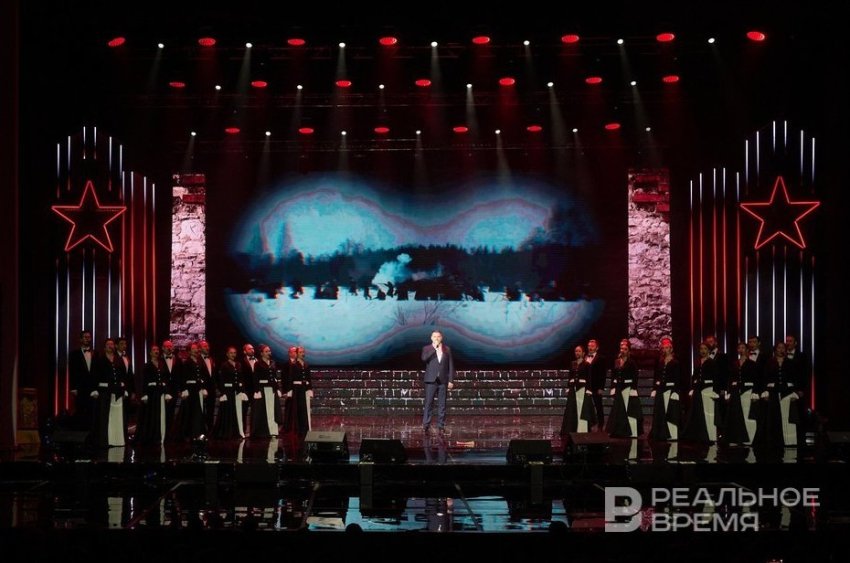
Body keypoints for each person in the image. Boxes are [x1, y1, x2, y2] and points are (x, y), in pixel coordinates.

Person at [681, 342, 720, 443]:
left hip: (708, 389)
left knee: (710, 414)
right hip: (699, 390)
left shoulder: (712, 362)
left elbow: (717, 377)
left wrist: (716, 391)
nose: (703, 351)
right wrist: (692, 388)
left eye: (705, 349)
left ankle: (712, 436)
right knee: (700, 413)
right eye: (701, 349)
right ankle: (702, 435)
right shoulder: (698, 362)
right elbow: (695, 376)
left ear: (709, 350)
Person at [723, 341, 759, 445]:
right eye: (739, 348)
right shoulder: (734, 364)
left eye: (743, 348)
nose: (741, 350)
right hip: (736, 392)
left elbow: (756, 379)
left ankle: (750, 439)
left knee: (748, 416)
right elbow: (730, 378)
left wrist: (755, 392)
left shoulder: (752, 364)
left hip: (747, 391)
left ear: (747, 350)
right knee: (736, 416)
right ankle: (736, 438)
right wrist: (728, 392)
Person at [135, 344, 172, 445]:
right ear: (150, 352)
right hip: (151, 394)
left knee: (161, 414)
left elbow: (166, 379)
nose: (156, 351)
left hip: (160, 392)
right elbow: (143, 380)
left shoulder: (162, 364)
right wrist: (144, 394)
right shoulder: (147, 365)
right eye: (154, 349)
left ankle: (160, 435)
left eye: (157, 349)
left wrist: (167, 392)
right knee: (151, 415)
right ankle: (151, 436)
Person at [606, 340, 642, 438]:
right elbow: (614, 375)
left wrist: (633, 388)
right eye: (621, 349)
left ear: (628, 351)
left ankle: (631, 431)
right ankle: (618, 431)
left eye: (625, 349)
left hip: (628, 388)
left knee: (629, 410)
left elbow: (635, 376)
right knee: (618, 410)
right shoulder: (617, 361)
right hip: (619, 388)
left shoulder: (632, 362)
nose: (622, 350)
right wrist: (613, 387)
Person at [420, 330, 455, 432]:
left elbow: (451, 365)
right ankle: (426, 424)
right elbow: (424, 359)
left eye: (438, 336)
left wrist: (451, 380)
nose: (436, 338)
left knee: (442, 404)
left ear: (441, 338)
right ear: (431, 338)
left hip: (443, 380)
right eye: (434, 336)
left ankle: (441, 425)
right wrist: (434, 349)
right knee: (429, 403)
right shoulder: (427, 348)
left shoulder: (447, 349)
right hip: (431, 380)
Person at [649, 337, 682, 441]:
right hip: (661, 389)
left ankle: (672, 434)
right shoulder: (660, 361)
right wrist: (654, 388)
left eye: (667, 348)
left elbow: (678, 378)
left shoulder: (675, 362)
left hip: (670, 389)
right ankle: (660, 433)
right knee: (660, 412)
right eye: (663, 348)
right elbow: (657, 376)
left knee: (670, 412)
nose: (665, 350)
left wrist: (675, 391)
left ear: (671, 349)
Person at [212, 346, 247, 440]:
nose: (233, 354)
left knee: (237, 412)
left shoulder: (238, 364)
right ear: (227, 354)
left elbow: (241, 378)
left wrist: (242, 390)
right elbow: (221, 379)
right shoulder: (224, 365)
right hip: (228, 392)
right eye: (231, 353)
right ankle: (227, 432)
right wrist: (222, 392)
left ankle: (237, 432)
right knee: (228, 412)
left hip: (237, 392)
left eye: (234, 353)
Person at [560, 345, 595, 435]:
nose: (577, 353)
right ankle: (571, 428)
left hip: (582, 389)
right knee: (572, 409)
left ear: (583, 353)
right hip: (573, 389)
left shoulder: (587, 364)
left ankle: (582, 429)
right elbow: (570, 376)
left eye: (579, 351)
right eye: (576, 351)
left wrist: (588, 390)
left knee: (582, 409)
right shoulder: (573, 363)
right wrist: (569, 386)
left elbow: (589, 378)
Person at [68, 329, 96, 431]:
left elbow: (97, 372)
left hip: (92, 387)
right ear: (80, 339)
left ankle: (90, 432)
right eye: (85, 337)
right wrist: (73, 387)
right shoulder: (74, 354)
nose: (87, 339)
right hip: (80, 387)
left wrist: (96, 388)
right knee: (80, 409)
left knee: (92, 410)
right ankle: (80, 432)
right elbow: (72, 372)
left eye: (89, 337)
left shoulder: (95, 353)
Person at [283, 345, 314, 437]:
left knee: (306, 409)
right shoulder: (294, 365)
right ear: (296, 353)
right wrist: (289, 390)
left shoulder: (306, 364)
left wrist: (310, 389)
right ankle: (299, 429)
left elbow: (308, 378)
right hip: (297, 390)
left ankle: (306, 428)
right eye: (300, 352)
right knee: (298, 409)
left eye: (303, 352)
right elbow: (290, 378)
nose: (302, 354)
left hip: (304, 389)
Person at [586, 339, 607, 431]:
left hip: (596, 386)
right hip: (587, 386)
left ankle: (600, 424)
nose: (590, 348)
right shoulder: (585, 357)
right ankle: (588, 423)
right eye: (589, 346)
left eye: (592, 346)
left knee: (598, 406)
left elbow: (603, 374)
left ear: (597, 348)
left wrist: (601, 387)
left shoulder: (601, 358)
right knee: (587, 405)